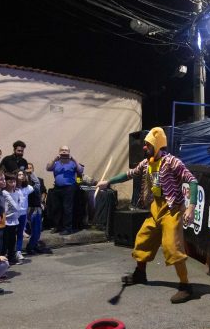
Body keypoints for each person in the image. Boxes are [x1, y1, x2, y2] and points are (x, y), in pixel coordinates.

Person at [97, 127, 198, 304]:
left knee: (171, 247)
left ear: (157, 145)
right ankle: (140, 274)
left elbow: (192, 180)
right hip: (156, 208)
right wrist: (109, 181)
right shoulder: (146, 163)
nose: (144, 147)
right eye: (144, 144)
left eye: (147, 144)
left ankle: (185, 286)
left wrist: (191, 208)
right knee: (142, 239)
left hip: (172, 210)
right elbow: (129, 174)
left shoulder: (172, 162)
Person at [46, 145, 84, 235]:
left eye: (66, 150)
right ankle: (57, 227)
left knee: (67, 208)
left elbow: (80, 170)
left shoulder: (72, 162)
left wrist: (74, 159)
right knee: (57, 208)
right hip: (57, 188)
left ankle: (68, 228)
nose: (64, 151)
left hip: (69, 188)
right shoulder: (56, 162)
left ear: (69, 152)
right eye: (62, 150)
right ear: (59, 151)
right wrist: (54, 159)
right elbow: (48, 168)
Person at [24, 162, 48, 255]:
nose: (29, 170)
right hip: (29, 208)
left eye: (31, 168)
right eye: (28, 168)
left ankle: (33, 246)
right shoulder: (24, 182)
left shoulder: (38, 180)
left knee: (38, 229)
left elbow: (42, 191)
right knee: (32, 229)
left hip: (37, 207)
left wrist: (42, 202)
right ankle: (30, 247)